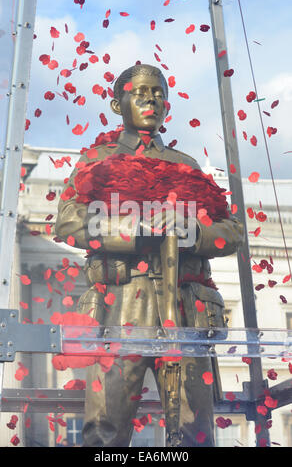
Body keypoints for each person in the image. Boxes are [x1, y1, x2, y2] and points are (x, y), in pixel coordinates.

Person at [55, 64, 244, 447]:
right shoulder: (97, 160)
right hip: (120, 303)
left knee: (194, 431)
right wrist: (137, 226)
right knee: (104, 431)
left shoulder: (186, 166)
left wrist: (188, 228)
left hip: (185, 304)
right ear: (116, 101)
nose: (151, 99)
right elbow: (68, 224)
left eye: (159, 92)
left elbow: (231, 232)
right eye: (140, 91)